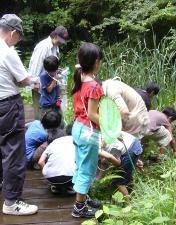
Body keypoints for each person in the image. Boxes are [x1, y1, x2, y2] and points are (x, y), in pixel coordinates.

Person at [0, 14, 38, 215]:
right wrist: (33, 81)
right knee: (14, 152)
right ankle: (12, 202)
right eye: (18, 37)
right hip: (8, 106)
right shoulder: (7, 52)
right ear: (12, 33)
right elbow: (23, 80)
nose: (17, 41)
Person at [71, 43, 104, 218]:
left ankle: (82, 197)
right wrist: (108, 125)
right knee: (87, 170)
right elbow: (92, 114)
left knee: (80, 166)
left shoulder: (79, 76)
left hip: (77, 127)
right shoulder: (94, 86)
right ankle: (79, 207)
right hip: (88, 131)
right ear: (96, 62)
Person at [28, 26, 69, 120]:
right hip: (40, 86)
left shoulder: (55, 46)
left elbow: (52, 65)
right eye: (61, 40)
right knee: (41, 114)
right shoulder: (43, 47)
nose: (61, 43)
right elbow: (35, 68)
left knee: (53, 114)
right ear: (55, 35)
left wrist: (60, 71)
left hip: (51, 86)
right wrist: (35, 84)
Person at [99, 131, 143, 196]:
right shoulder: (96, 132)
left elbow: (113, 159)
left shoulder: (94, 145)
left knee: (119, 181)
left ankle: (128, 204)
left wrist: (120, 166)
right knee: (126, 172)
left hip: (130, 149)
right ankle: (130, 186)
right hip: (132, 142)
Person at [38, 123, 75, 195]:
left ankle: (56, 186)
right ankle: (70, 186)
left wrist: (46, 174)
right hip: (69, 177)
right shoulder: (76, 141)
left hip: (51, 178)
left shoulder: (53, 143)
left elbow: (40, 162)